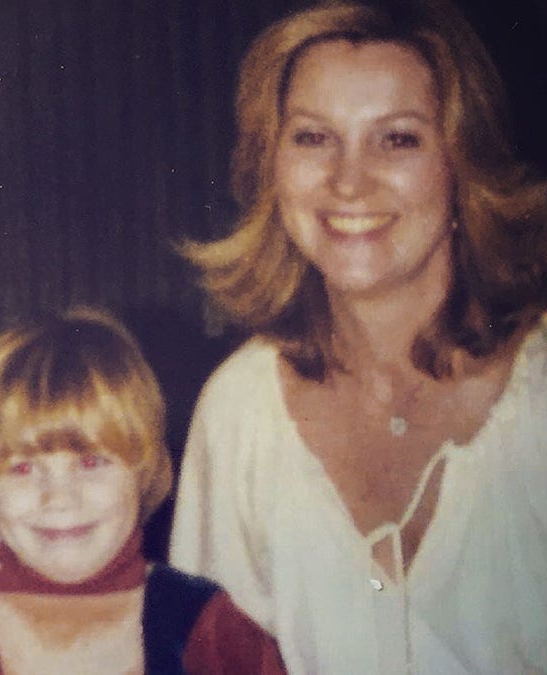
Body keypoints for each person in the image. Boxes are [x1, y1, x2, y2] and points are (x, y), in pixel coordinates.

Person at [170, 1, 547, 673]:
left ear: (463, 163)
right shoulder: (239, 413)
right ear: (271, 164)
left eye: (397, 138)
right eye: (313, 137)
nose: (348, 179)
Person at [0, 309, 284, 673]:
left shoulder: (206, 624)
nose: (60, 498)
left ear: (142, 470)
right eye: (22, 468)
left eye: (90, 463)